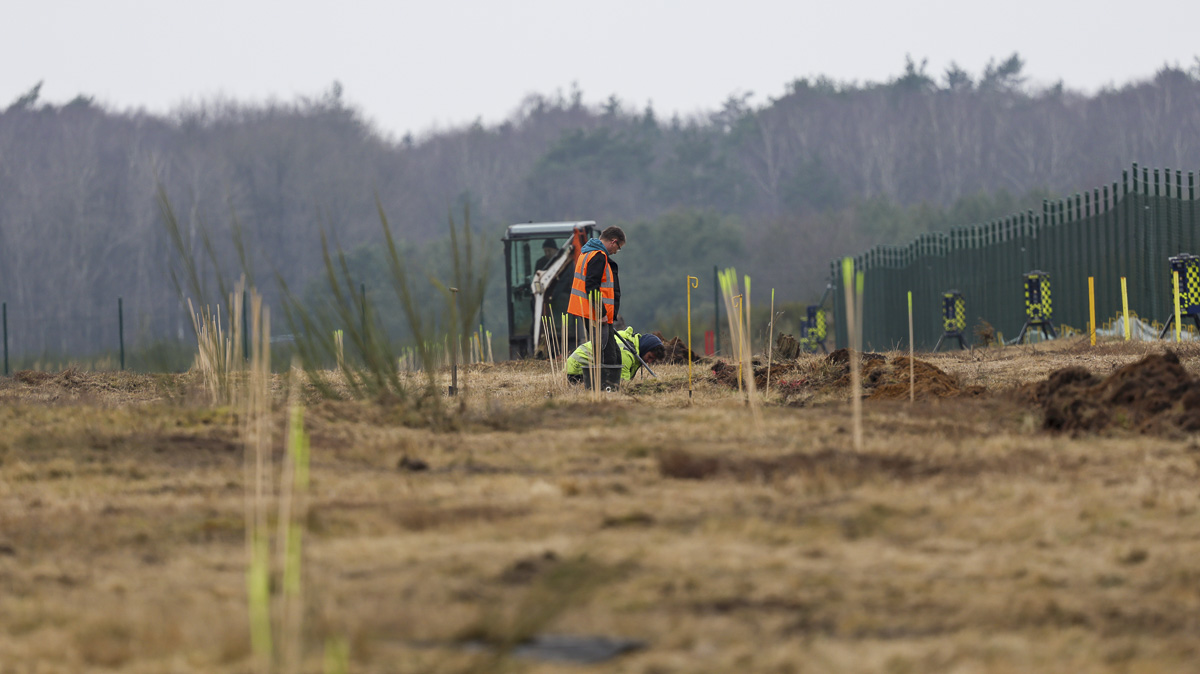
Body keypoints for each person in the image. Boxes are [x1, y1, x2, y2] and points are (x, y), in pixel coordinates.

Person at [566, 226, 625, 367]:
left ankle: (609, 384)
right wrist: (601, 313)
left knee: (612, 353)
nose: (616, 251)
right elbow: (592, 286)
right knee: (607, 356)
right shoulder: (598, 256)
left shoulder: (586, 253)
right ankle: (606, 386)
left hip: (589, 312)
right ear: (613, 241)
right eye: (618, 247)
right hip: (596, 315)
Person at [564, 327, 664, 384]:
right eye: (650, 357)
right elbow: (622, 382)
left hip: (587, 368)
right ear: (645, 348)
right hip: (578, 370)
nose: (649, 362)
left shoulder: (632, 345)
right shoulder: (626, 352)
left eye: (653, 360)